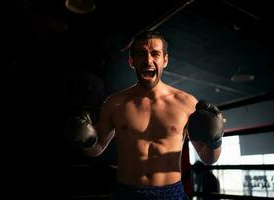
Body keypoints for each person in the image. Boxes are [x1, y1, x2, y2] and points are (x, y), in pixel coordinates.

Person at [66, 30, 224, 200]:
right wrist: (85, 142)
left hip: (171, 193)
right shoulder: (114, 103)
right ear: (132, 61)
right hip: (127, 193)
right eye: (142, 54)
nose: (148, 60)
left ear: (165, 60)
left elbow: (208, 158)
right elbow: (97, 149)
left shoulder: (186, 103)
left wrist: (215, 141)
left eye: (155, 53)